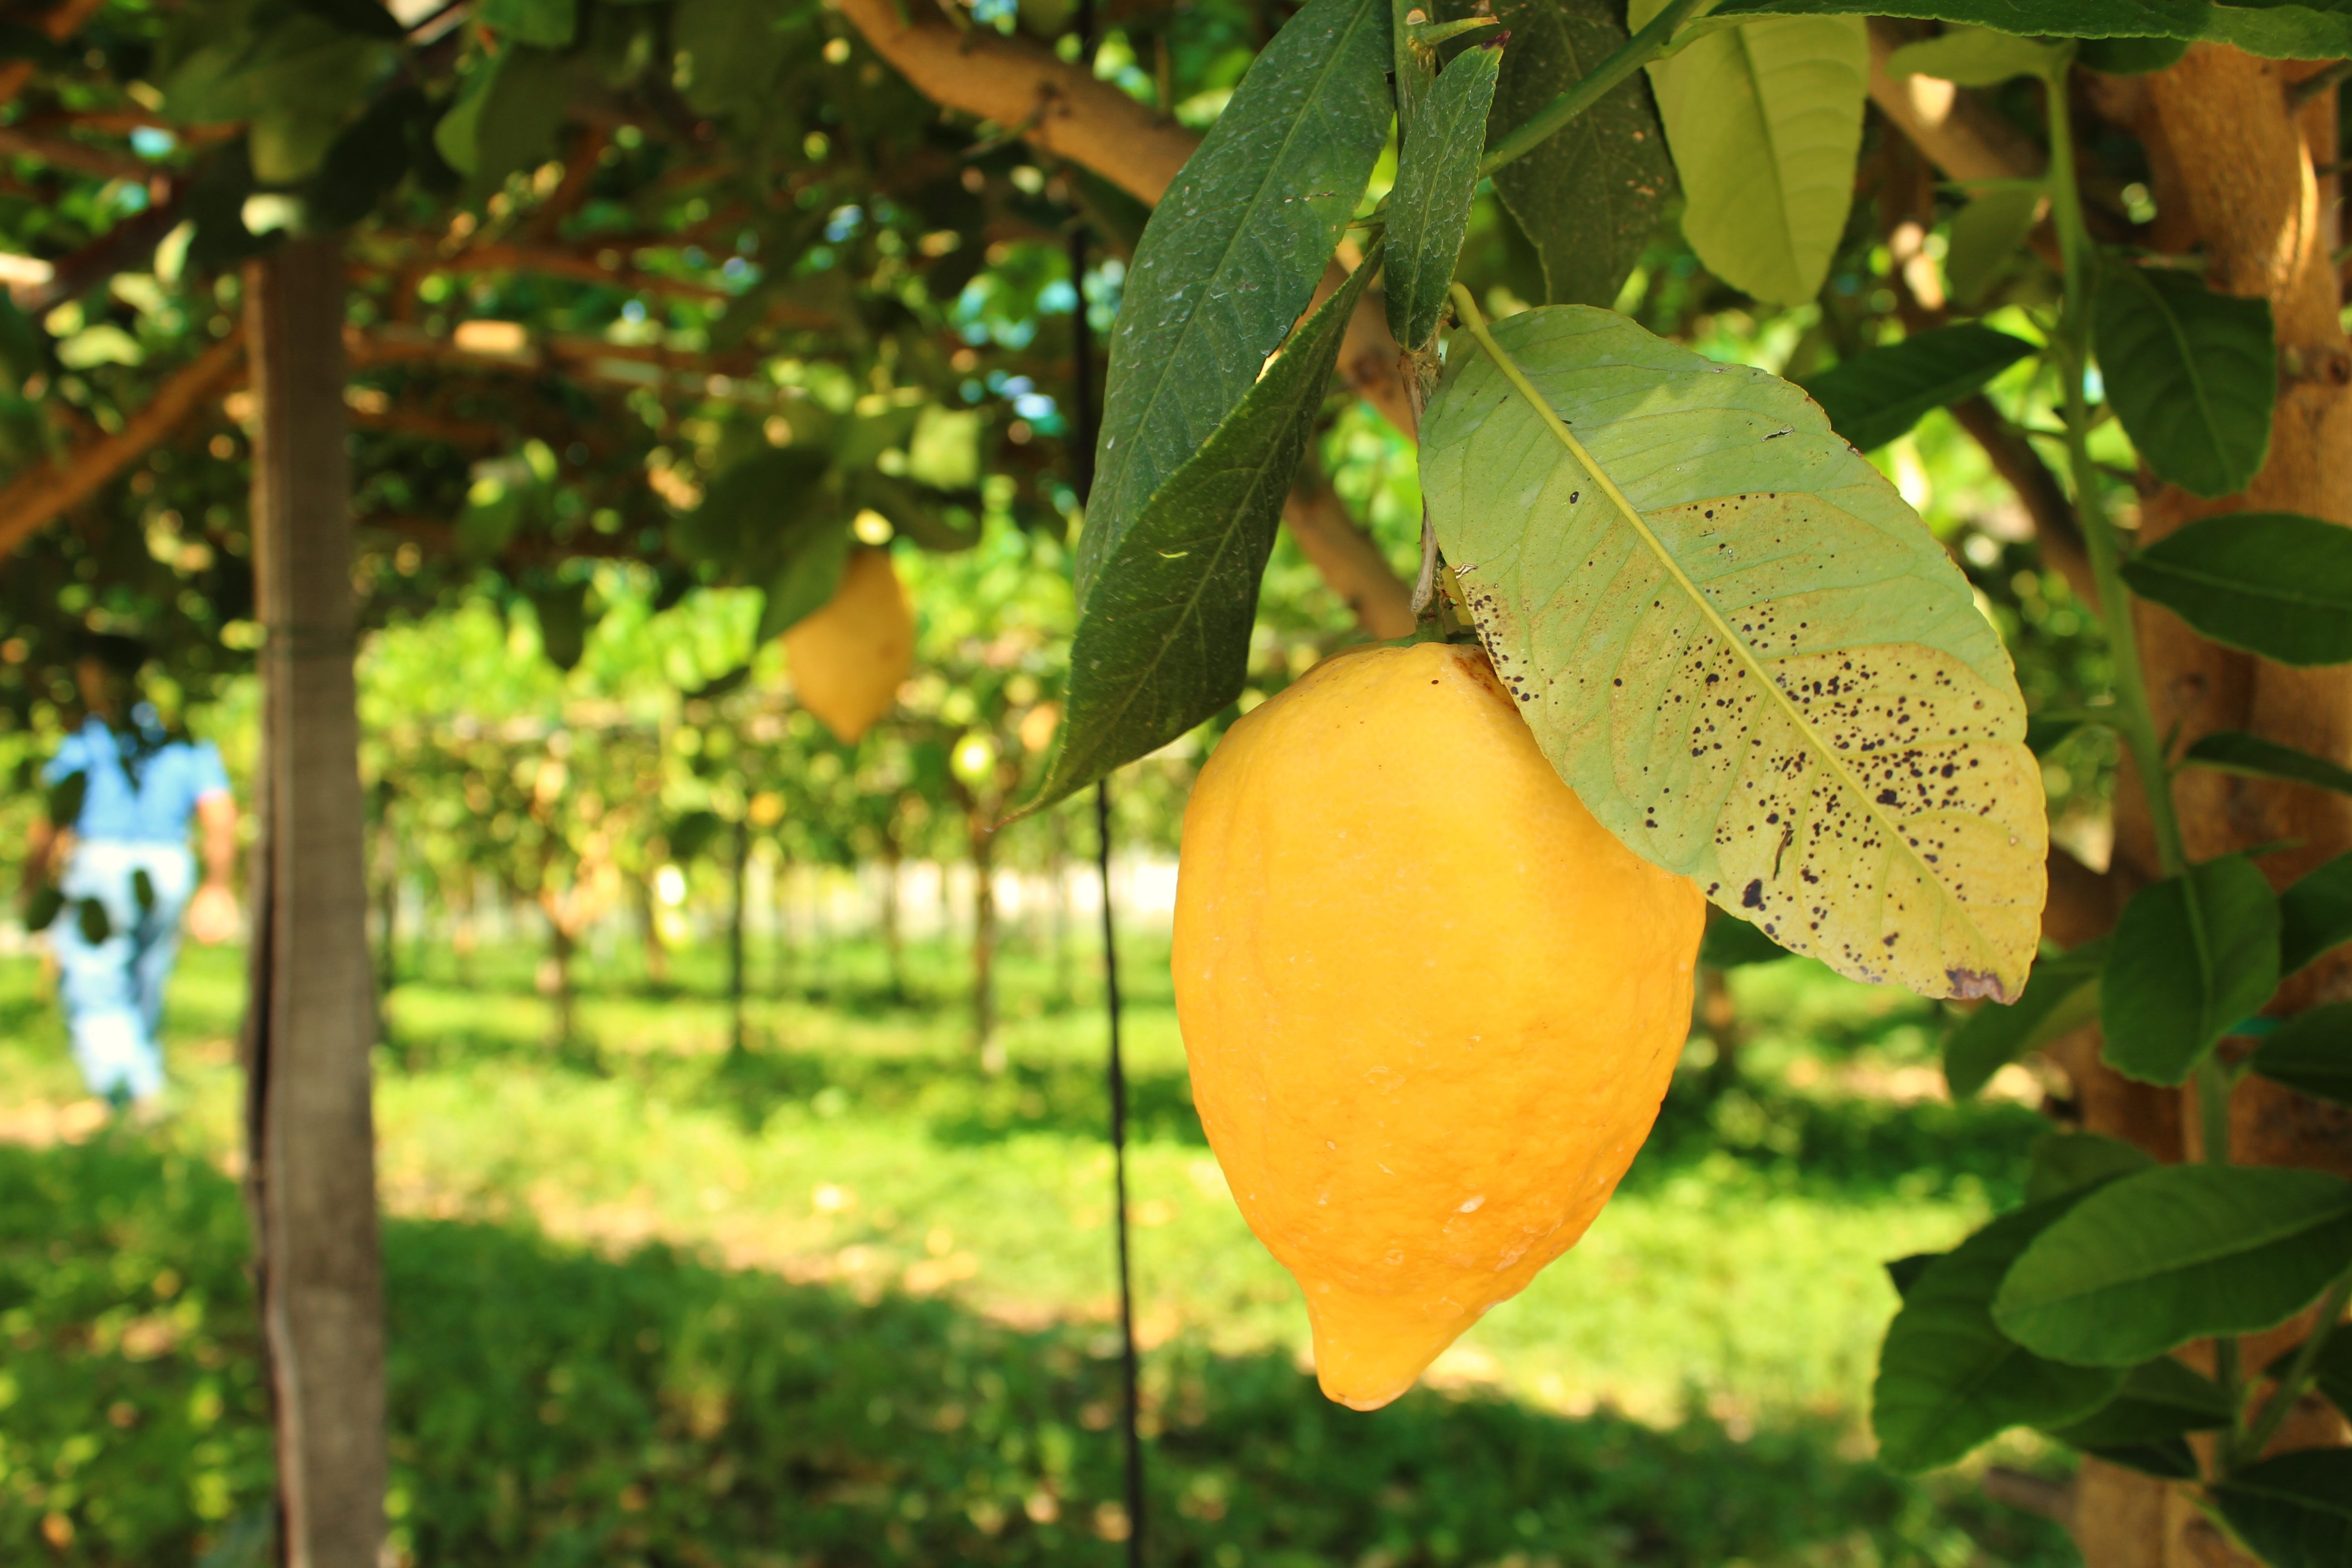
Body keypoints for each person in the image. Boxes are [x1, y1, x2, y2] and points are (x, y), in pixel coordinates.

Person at [19, 634, 238, 1107]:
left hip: (102, 864)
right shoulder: (181, 739)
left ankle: (126, 1092)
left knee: (95, 978)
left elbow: (51, 821)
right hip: (169, 866)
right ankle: (144, 1081)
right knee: (146, 976)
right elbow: (219, 811)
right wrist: (216, 886)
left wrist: (31, 883)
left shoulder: (90, 740)